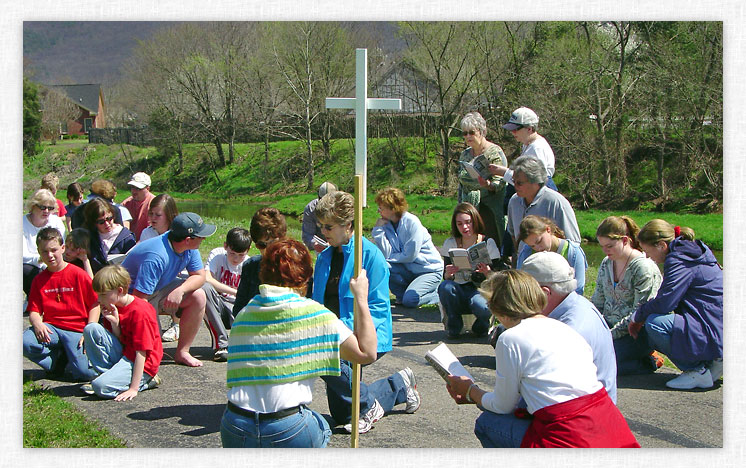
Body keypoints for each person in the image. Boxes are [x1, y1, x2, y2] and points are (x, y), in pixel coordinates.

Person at [446, 270, 639, 448]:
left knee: (487, 424)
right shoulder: (565, 328)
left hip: (570, 436)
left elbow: (502, 405)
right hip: (608, 426)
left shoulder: (510, 339)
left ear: (498, 309)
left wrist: (471, 391)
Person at [220, 239, 379, 448]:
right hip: (286, 426)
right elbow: (366, 352)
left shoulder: (245, 314)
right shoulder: (314, 314)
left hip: (235, 424)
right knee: (321, 426)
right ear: (305, 278)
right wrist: (361, 298)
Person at [312, 191, 420, 434]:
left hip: (364, 337)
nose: (324, 233)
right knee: (342, 414)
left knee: (328, 362)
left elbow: (379, 308)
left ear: (348, 225)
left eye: (329, 227)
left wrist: (342, 331)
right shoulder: (324, 258)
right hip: (330, 335)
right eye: (322, 227)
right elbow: (317, 302)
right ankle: (399, 385)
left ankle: (367, 404)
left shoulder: (370, 257)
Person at [628, 220, 723, 390]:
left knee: (654, 324)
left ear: (662, 245)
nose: (648, 257)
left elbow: (665, 302)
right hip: (717, 322)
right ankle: (713, 361)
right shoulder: (692, 251)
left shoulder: (678, 260)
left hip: (712, 327)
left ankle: (697, 371)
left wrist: (637, 316)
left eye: (648, 251)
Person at [121, 212, 216, 367]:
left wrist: (181, 290)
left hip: (158, 289)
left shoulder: (188, 248)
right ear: (187, 240)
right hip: (132, 297)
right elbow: (139, 299)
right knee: (151, 350)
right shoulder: (156, 256)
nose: (204, 239)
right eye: (201, 236)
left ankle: (182, 352)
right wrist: (152, 331)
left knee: (199, 295)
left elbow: (199, 276)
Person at [521, 252, 617, 403]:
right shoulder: (579, 305)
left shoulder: (569, 330)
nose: (521, 298)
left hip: (584, 415)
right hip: (593, 406)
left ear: (545, 293)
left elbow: (550, 390)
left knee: (491, 420)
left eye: (524, 292)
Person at [22, 227, 99, 381]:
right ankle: (57, 363)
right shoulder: (39, 279)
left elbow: (95, 303)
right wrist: (37, 324)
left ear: (62, 248)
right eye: (44, 251)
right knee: (24, 341)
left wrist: (89, 329)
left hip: (77, 329)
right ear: (39, 251)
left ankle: (69, 358)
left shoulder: (78, 274)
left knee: (85, 374)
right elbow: (34, 310)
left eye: (54, 250)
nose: (50, 255)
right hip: (52, 329)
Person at [591, 216, 663, 375]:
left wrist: (609, 336)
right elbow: (598, 300)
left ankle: (648, 361)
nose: (605, 250)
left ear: (625, 240)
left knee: (602, 365)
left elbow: (639, 312)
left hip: (634, 332)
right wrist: (592, 327)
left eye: (609, 246)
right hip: (608, 327)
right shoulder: (606, 263)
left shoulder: (643, 267)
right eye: (602, 246)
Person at [82, 265, 163, 400]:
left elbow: (141, 352)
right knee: (91, 329)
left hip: (143, 363)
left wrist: (134, 388)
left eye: (103, 295)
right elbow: (120, 341)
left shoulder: (140, 312)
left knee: (100, 387)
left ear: (119, 291)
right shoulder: (112, 307)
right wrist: (115, 324)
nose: (99, 300)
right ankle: (109, 377)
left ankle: (147, 381)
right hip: (125, 354)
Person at [437, 202, 503, 338]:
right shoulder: (450, 243)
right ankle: (454, 326)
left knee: (481, 306)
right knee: (445, 286)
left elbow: (498, 276)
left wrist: (487, 272)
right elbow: (446, 277)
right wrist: (448, 274)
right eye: (459, 224)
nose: (464, 227)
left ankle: (481, 327)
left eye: (468, 222)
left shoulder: (488, 242)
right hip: (458, 288)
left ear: (475, 221)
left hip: (480, 289)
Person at [371, 187, 443, 307]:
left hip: (428, 270)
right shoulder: (385, 224)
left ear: (392, 209)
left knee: (410, 301)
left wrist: (390, 256)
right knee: (382, 266)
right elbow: (385, 253)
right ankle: (403, 295)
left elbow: (409, 256)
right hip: (408, 269)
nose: (379, 211)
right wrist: (378, 231)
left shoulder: (411, 222)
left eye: (381, 208)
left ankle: (439, 294)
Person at [505, 156, 581, 267]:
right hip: (525, 267)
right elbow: (513, 236)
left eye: (519, 183)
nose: (515, 186)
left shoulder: (556, 202)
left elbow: (573, 244)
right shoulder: (514, 201)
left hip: (553, 268)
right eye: (513, 181)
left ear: (535, 181)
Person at [456, 112, 509, 249]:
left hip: (489, 209)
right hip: (469, 207)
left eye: (471, 133)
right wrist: (460, 207)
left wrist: (488, 185)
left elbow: (501, 182)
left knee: (490, 248)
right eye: (465, 133)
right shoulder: (465, 154)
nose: (468, 136)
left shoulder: (494, 152)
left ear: (482, 132)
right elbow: (461, 182)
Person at [201, 227, 251, 361]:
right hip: (218, 303)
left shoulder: (249, 263)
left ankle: (242, 342)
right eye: (232, 253)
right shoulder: (217, 255)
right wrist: (235, 291)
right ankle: (222, 344)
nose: (236, 259)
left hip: (238, 307)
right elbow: (207, 279)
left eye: (241, 255)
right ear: (225, 246)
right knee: (204, 289)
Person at [232, 207, 288, 317]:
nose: (267, 250)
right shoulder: (250, 266)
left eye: (273, 243)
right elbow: (238, 309)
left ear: (283, 239)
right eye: (262, 245)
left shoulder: (297, 266)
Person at [490, 106, 559, 191]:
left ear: (529, 129)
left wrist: (503, 172)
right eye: (511, 129)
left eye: (516, 129)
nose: (512, 132)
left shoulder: (537, 148)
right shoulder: (528, 144)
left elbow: (534, 181)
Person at [516, 215, 587, 295]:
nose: (538, 248)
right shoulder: (527, 252)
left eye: (539, 241)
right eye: (532, 246)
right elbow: (520, 283)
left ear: (548, 229)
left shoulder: (573, 252)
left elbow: (579, 287)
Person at [23, 189, 67, 296]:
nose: (46, 211)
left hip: (55, 260)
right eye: (42, 207)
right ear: (33, 206)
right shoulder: (21, 223)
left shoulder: (56, 221)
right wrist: (41, 260)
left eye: (50, 208)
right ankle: (34, 300)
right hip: (33, 264)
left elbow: (61, 247)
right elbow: (21, 255)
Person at [83, 198, 136, 274]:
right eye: (101, 222)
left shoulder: (126, 237)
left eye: (109, 218)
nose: (107, 224)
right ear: (93, 223)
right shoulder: (89, 237)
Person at [302, 181, 337, 253]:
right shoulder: (310, 209)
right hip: (321, 248)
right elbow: (307, 234)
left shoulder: (341, 208)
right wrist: (314, 244)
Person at [122, 172, 156, 241]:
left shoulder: (154, 204)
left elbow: (152, 231)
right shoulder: (126, 204)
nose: (134, 191)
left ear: (148, 188)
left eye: (138, 188)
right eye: (132, 187)